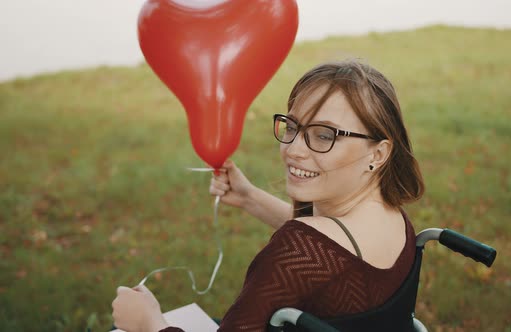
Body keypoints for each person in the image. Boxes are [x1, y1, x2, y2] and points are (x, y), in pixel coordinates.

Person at [112, 59, 425, 332]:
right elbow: (329, 253)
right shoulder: (394, 220)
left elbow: (312, 249)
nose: (293, 149)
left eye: (324, 135)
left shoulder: (296, 251)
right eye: (292, 127)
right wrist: (250, 197)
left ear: (379, 153)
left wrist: (149, 323)